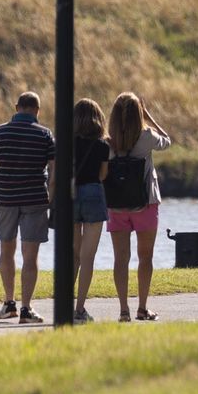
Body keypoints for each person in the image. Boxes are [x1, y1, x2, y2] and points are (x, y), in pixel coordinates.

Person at [0, 92, 55, 324]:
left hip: (6, 199)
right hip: (35, 199)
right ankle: (26, 308)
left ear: (16, 107)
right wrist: (51, 198)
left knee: (6, 251)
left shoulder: (0, 132)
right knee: (30, 257)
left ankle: (9, 302)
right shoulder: (45, 134)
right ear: (37, 111)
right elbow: (54, 171)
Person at [107, 92, 171, 322]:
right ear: (139, 114)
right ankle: (142, 307)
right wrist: (150, 118)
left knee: (120, 259)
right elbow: (167, 141)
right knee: (145, 258)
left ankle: (124, 310)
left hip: (116, 207)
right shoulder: (146, 136)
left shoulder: (108, 140)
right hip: (145, 203)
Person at [71, 99, 111, 324]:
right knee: (88, 257)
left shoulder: (68, 143)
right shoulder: (102, 145)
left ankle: (66, 305)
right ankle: (79, 309)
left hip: (73, 195)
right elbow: (103, 175)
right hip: (93, 194)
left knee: (74, 256)